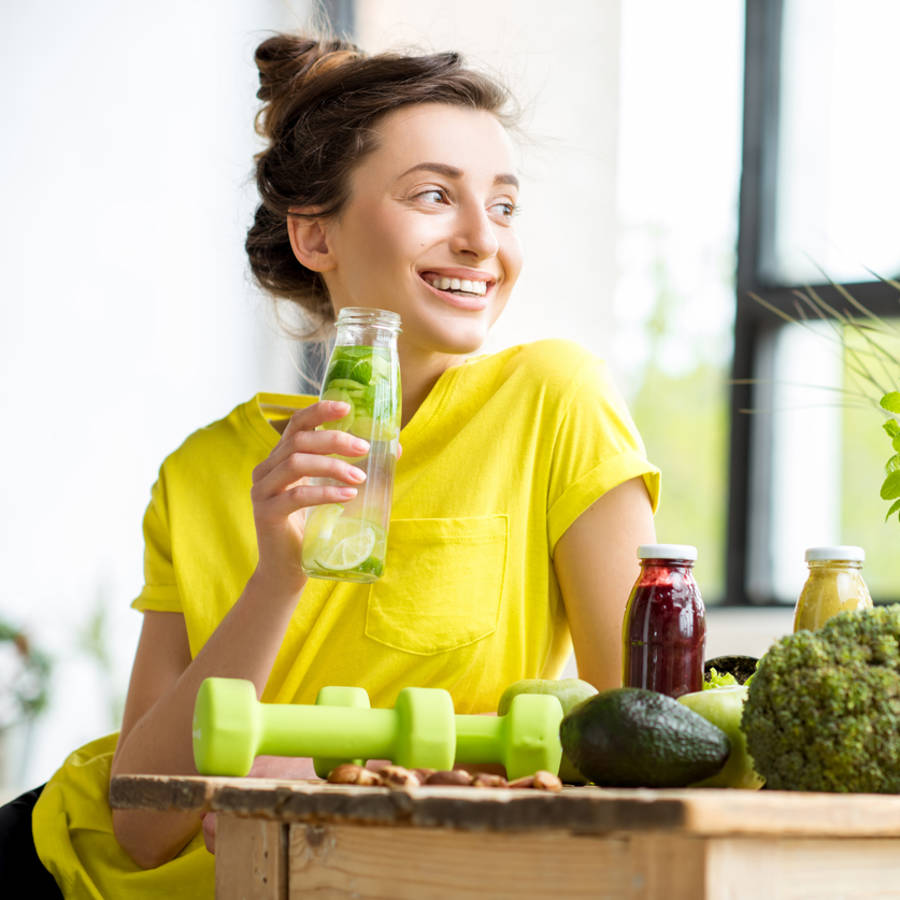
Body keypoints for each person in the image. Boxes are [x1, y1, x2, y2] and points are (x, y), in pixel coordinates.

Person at [5, 32, 659, 898]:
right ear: (316, 235)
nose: (480, 240)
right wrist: (278, 575)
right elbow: (142, 824)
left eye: (503, 207)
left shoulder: (554, 402)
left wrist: (309, 770)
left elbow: (649, 747)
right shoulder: (202, 472)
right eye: (434, 196)